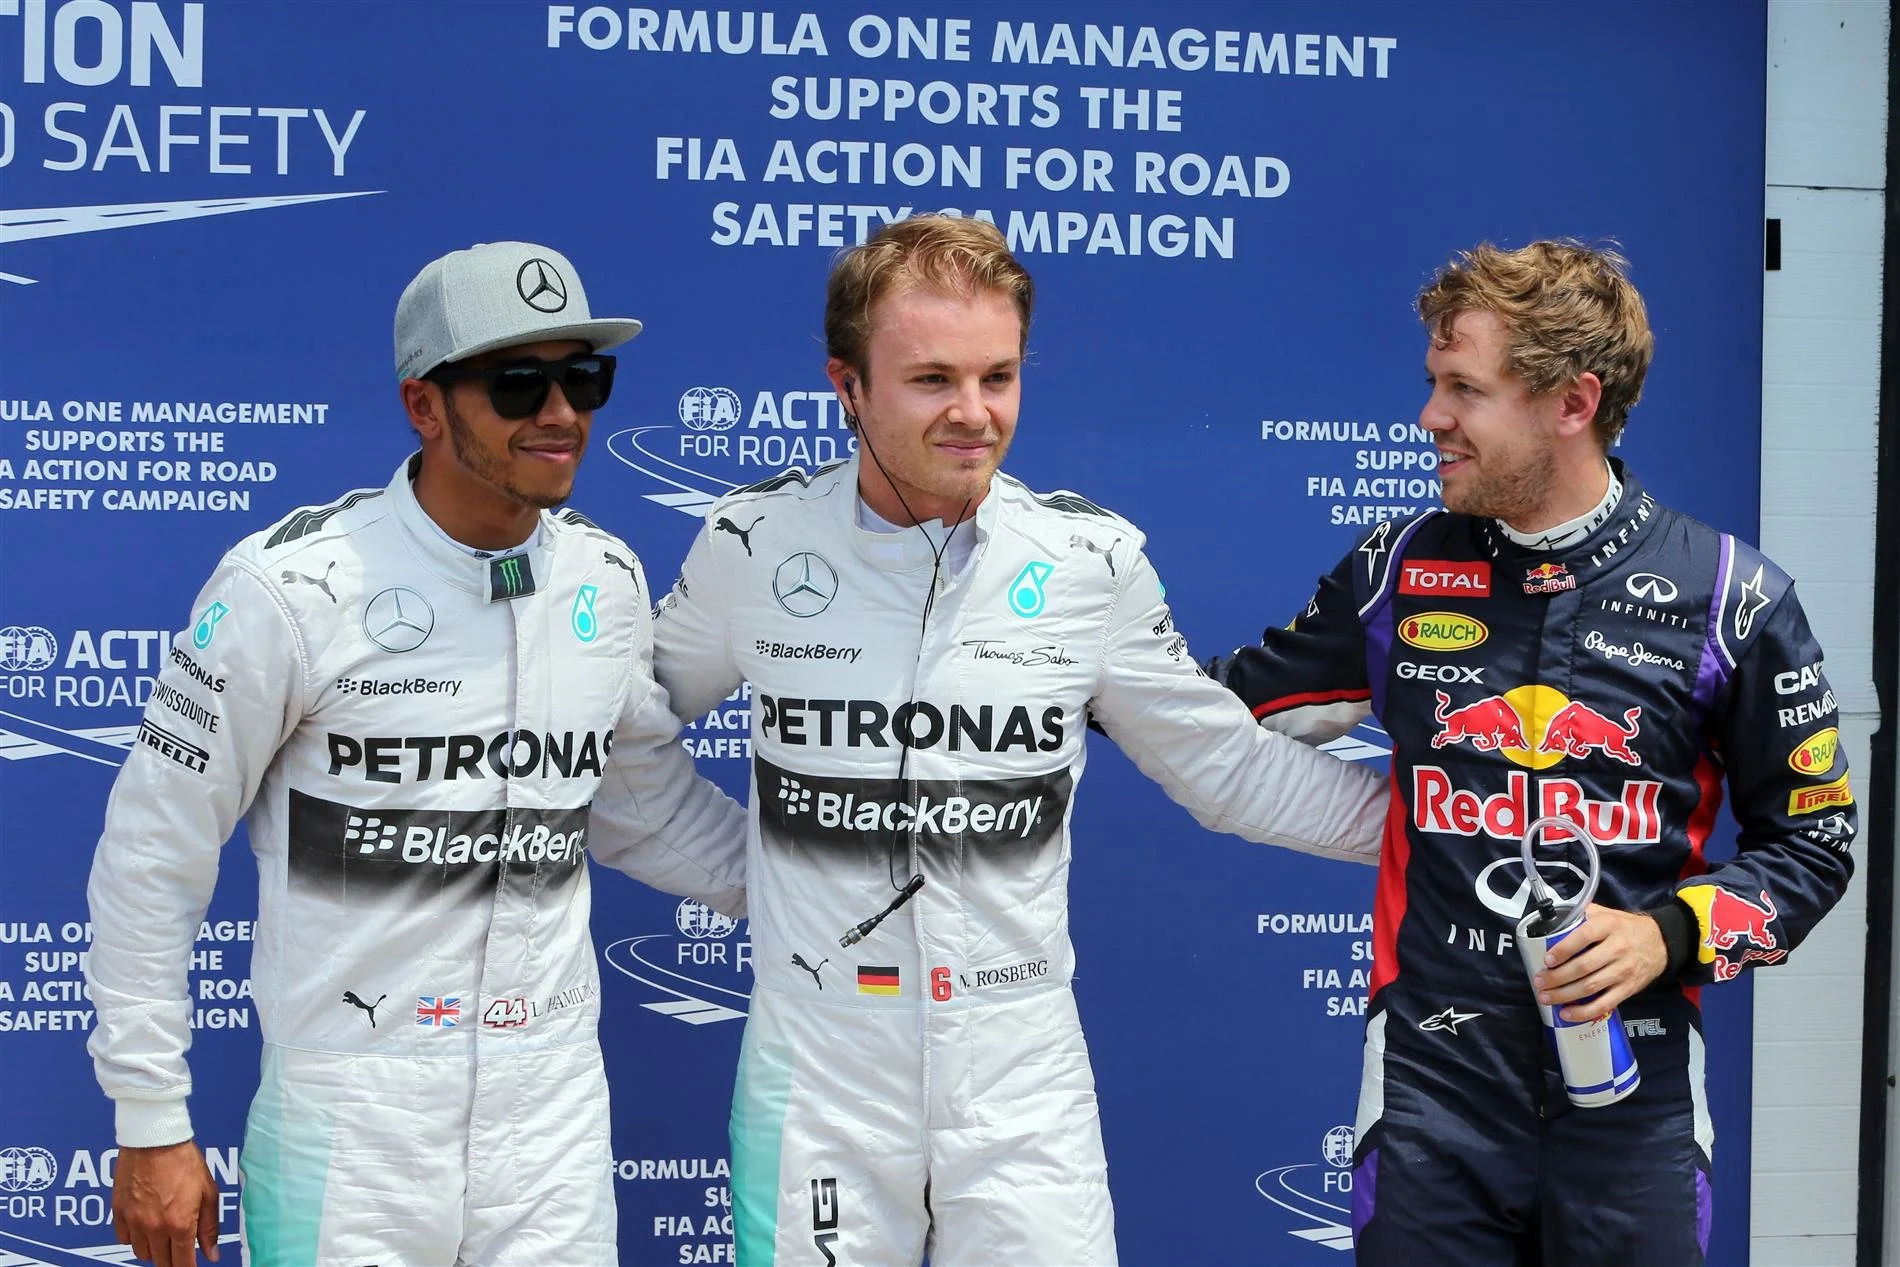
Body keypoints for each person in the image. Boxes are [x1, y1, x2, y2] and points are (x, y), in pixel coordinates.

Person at [648, 214, 1390, 1267]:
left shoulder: (1087, 560)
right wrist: (751, 875)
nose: (971, 413)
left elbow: (1227, 769)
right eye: (930, 379)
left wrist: (1453, 831)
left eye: (997, 377)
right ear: (845, 384)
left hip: (1018, 1071)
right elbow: (623, 736)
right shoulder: (751, 545)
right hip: (817, 1071)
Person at [84, 241, 749, 1267]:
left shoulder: (605, 581)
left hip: (553, 1115)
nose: (560, 411)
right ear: (423, 406)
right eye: (517, 381)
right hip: (352, 1121)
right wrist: (149, 1115)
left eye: (584, 376)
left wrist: (831, 886)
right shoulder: (290, 589)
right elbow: (151, 850)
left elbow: (642, 808)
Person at [1210, 240, 1856, 1264]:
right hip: (1433, 1090)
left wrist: (1665, 937)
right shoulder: (1399, 569)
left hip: (1631, 1097)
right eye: (1434, 384)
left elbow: (1814, 844)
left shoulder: (1733, 597)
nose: (1431, 417)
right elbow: (1218, 715)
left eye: (1464, 388)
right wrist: (1069, 664)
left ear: (1571, 402)